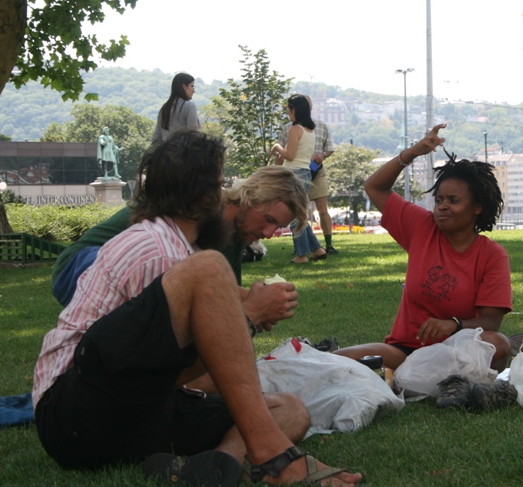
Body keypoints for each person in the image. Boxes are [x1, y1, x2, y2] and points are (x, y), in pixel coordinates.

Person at [33, 132, 361, 486]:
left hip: (132, 416)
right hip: (75, 416)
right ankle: (273, 456)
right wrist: (247, 317)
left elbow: (160, 378)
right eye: (219, 184)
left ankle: (214, 469)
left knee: (290, 410)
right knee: (210, 267)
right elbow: (154, 373)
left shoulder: (183, 254)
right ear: (204, 196)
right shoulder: (157, 249)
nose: (226, 195)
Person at [335, 123, 512, 375]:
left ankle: (430, 379)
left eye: (453, 201)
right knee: (337, 359)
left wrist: (454, 325)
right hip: (404, 351)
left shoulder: (492, 255)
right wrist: (412, 154)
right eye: (439, 200)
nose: (442, 206)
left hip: (455, 349)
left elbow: (491, 322)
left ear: (477, 208)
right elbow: (374, 187)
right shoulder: (422, 227)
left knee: (498, 344)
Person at [51, 165, 308, 323]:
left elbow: (223, 299)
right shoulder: (196, 206)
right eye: (268, 220)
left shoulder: (236, 241)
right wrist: (252, 306)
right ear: (250, 198)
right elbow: (175, 272)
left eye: (278, 227)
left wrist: (258, 306)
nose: (270, 233)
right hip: (82, 265)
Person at [271, 94, 327, 264]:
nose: (287, 112)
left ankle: (301, 255)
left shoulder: (295, 130)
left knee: (295, 215)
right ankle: (317, 249)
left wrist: (276, 147)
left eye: (288, 108)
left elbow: (290, 154)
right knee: (300, 214)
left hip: (294, 174)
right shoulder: (310, 131)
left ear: (294, 110)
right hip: (305, 173)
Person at [151, 72, 200, 143]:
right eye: (192, 86)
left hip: (165, 152)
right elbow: (193, 135)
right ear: (184, 86)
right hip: (183, 152)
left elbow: (155, 138)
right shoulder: (189, 106)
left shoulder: (164, 109)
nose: (194, 90)